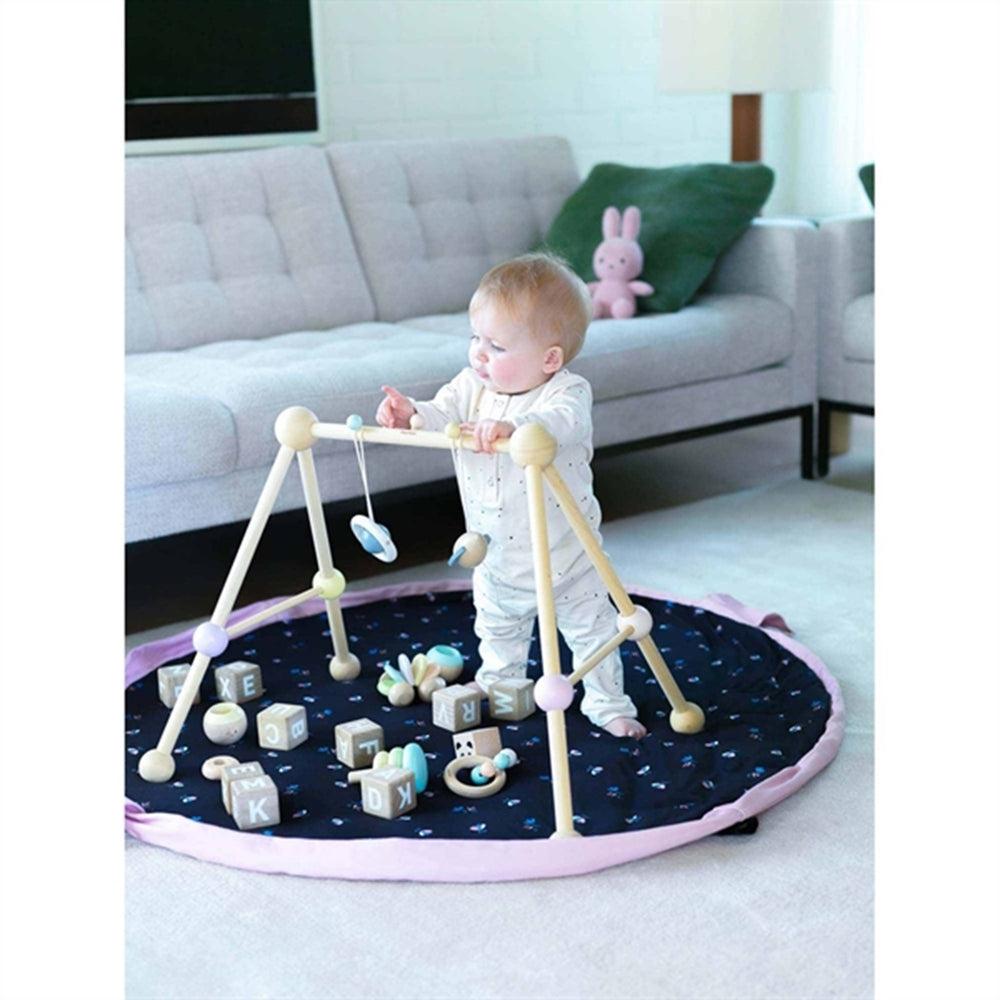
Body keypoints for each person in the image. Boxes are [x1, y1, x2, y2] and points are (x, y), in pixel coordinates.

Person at [376, 253, 646, 738]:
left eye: (496, 346)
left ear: (550, 359)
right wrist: (410, 414)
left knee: (592, 633)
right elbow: (439, 414)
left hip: (568, 557)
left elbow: (560, 424)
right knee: (497, 627)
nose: (479, 354)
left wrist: (515, 426)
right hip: (496, 552)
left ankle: (608, 704)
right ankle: (499, 683)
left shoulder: (567, 393)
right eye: (475, 338)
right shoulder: (470, 387)